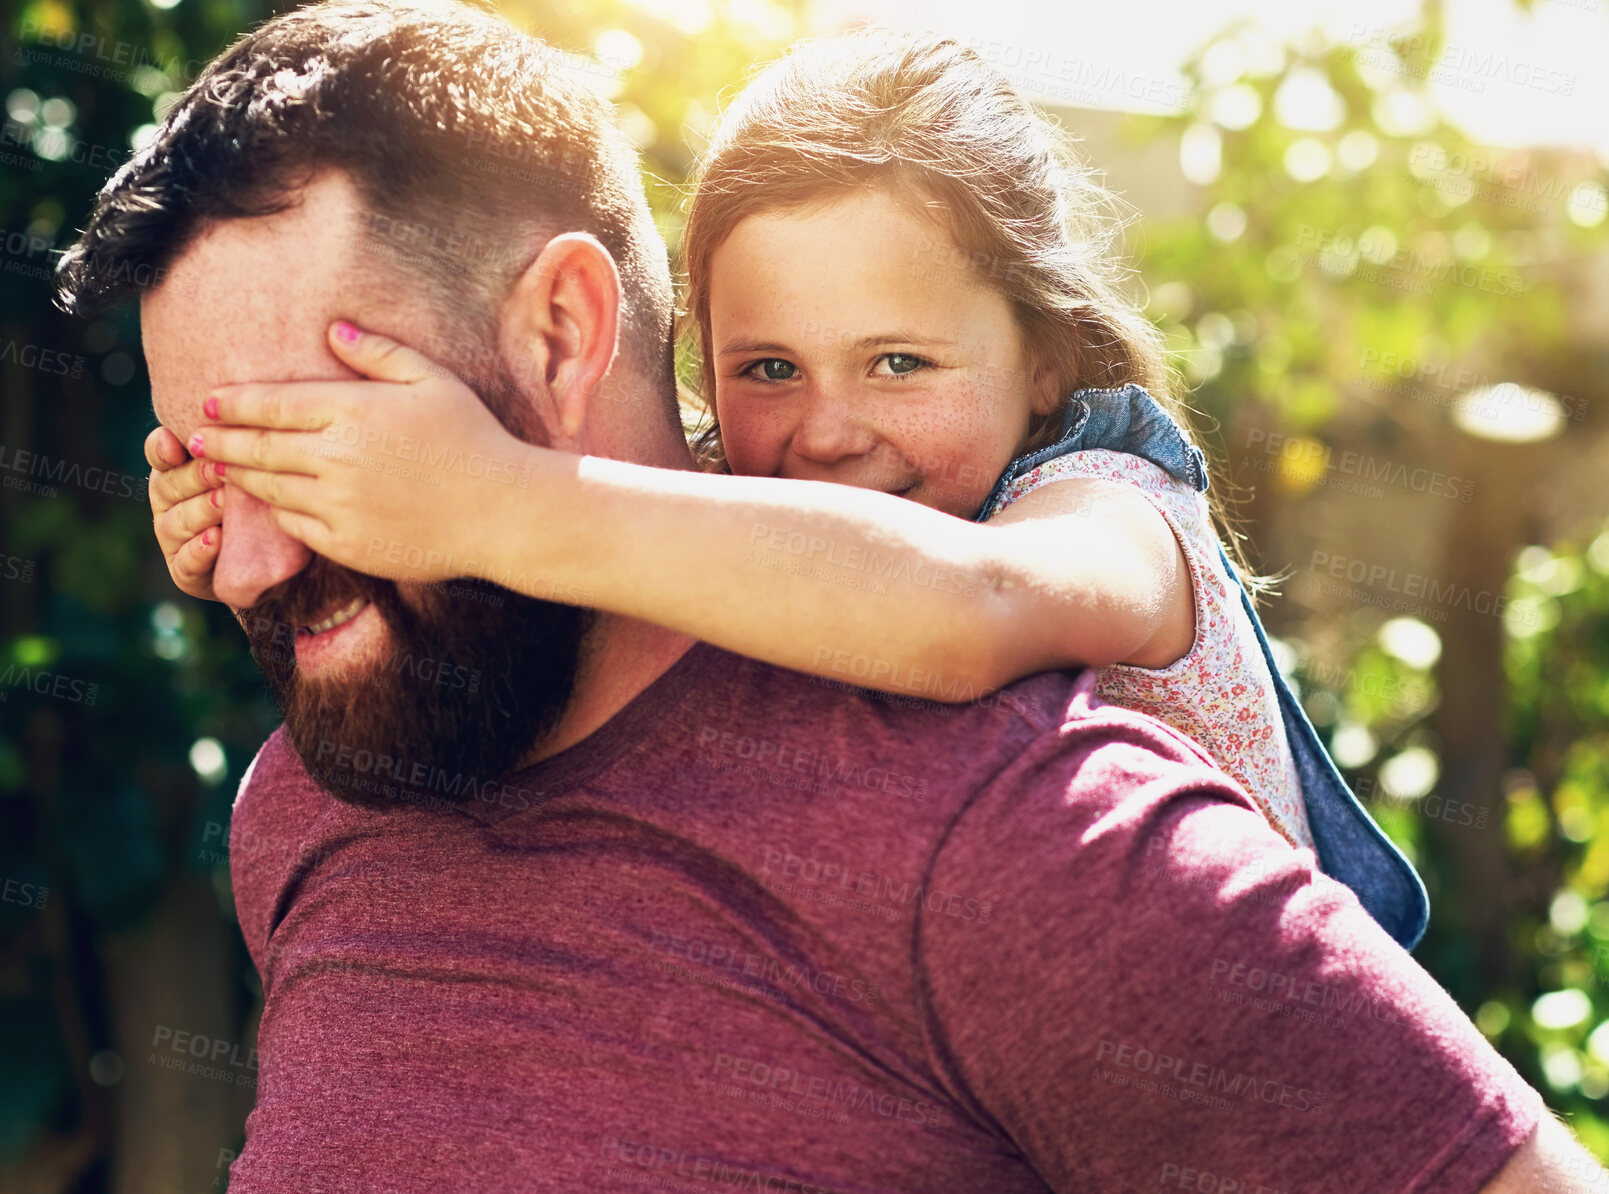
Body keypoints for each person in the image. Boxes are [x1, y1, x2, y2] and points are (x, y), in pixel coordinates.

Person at [57, 1, 1609, 1194]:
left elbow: (967, 607)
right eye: (208, 459)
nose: (246, 560)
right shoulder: (324, 792)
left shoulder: (1023, 800)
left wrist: (496, 502)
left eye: (318, 443)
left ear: (561, 332)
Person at [147, 28, 1427, 947]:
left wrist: (491, 498)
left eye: (899, 361)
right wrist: (266, 519)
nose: (825, 432)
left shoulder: (1111, 508)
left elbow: (960, 610)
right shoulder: (753, 498)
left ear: (1046, 355)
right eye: (765, 366)